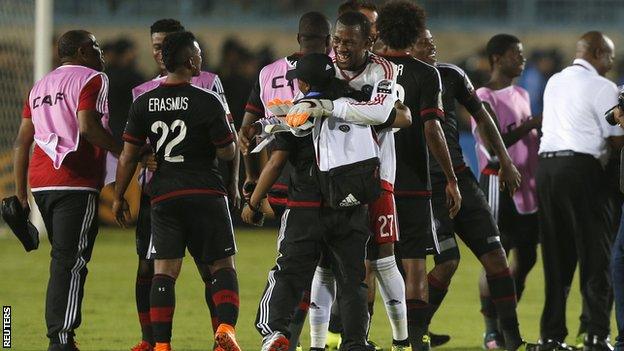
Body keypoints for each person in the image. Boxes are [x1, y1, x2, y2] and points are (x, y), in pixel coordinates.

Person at [113, 31, 240, 351]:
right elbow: (227, 151)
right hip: (206, 193)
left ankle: (161, 346)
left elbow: (129, 155)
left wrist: (118, 195)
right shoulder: (207, 100)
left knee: (164, 271)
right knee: (221, 266)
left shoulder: (144, 102)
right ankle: (225, 329)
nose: (201, 59)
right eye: (197, 55)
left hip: (165, 195)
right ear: (189, 61)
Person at [13, 30, 122, 351]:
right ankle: (61, 339)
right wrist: (128, 153)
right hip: (75, 179)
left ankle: (59, 337)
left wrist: (21, 195)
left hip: (42, 182)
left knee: (62, 257)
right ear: (82, 51)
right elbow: (89, 128)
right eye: (96, 47)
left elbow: (22, 141)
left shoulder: (40, 86)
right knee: (70, 261)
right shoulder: (93, 79)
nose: (102, 53)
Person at [239, 12, 333, 351]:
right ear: (330, 39)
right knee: (332, 268)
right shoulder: (337, 70)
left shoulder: (269, 73)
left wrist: (252, 184)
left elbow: (246, 132)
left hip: (281, 183)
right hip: (329, 184)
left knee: (296, 264)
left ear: (297, 39)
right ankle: (320, 338)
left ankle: (282, 335)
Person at [538, 31, 624, 351]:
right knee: (596, 256)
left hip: (546, 170)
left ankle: (550, 336)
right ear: (599, 52)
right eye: (610, 55)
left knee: (556, 259)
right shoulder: (604, 87)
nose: (612, 62)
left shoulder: (555, 82)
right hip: (583, 170)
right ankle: (596, 335)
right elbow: (615, 139)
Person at [473, 34, 541, 350]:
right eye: (517, 53)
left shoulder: (523, 93)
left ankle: (505, 319)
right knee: (495, 259)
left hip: (527, 188)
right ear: (498, 58)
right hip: (498, 185)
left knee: (526, 257)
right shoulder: (482, 96)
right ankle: (492, 331)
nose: (522, 59)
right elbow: (491, 144)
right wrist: (531, 126)